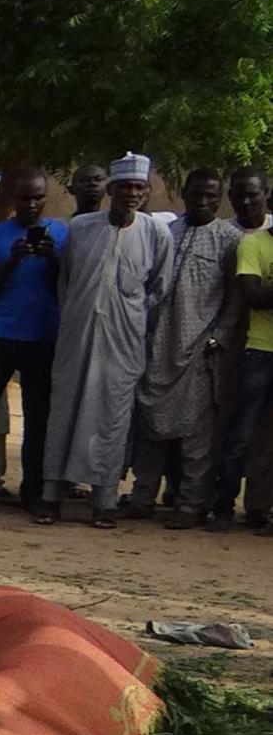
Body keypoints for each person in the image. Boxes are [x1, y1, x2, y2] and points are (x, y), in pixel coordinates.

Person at [45, 154, 167, 527]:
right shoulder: (80, 227)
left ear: (146, 193)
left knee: (112, 419)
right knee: (64, 411)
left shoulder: (154, 232)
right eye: (124, 187)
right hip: (76, 335)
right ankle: (51, 495)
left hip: (123, 341)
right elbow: (64, 280)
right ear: (110, 190)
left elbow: (158, 287)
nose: (131, 193)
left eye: (138, 187)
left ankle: (105, 500)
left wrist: (125, 315)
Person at [127, 168, 235, 528]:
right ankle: (142, 497)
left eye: (211, 196)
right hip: (157, 345)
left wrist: (218, 336)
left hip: (200, 350)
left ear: (220, 199)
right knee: (150, 426)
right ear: (184, 194)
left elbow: (234, 299)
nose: (203, 201)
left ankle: (191, 504)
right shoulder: (166, 233)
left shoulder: (229, 239)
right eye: (196, 194)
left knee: (196, 435)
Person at [0, 166, 67, 514]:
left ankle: (32, 492)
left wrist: (52, 259)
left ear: (45, 198)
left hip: (43, 337)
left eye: (37, 197)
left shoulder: (62, 235)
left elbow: (68, 286)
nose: (31, 204)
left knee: (38, 418)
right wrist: (12, 261)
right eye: (24, 198)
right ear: (14, 199)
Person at [218, 170, 273, 532]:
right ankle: (222, 505)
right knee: (240, 433)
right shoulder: (253, 244)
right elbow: (252, 296)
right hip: (259, 351)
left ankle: (259, 509)